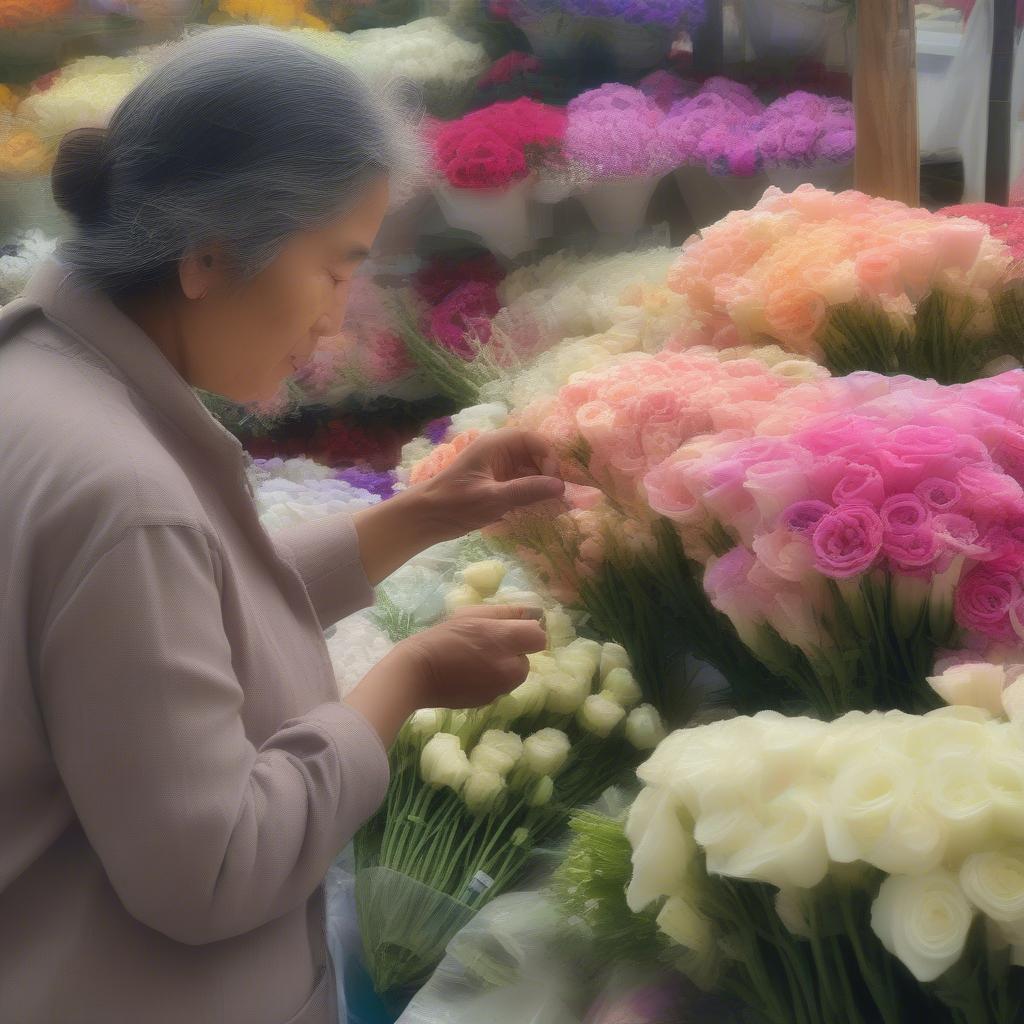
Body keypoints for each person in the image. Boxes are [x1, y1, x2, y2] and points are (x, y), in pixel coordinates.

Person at [0, 28, 564, 1024]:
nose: (335, 323)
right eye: (335, 269)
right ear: (208, 256)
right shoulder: (121, 488)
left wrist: (416, 519)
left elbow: (148, 635)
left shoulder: (38, 381)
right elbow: (212, 869)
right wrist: (403, 685)